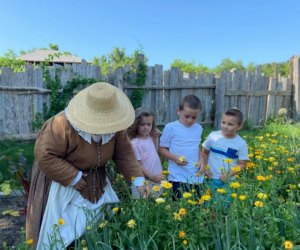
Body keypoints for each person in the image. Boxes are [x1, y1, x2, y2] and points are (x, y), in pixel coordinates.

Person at [26, 82, 148, 249]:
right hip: (62, 182)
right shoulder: (61, 124)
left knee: (97, 227)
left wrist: (139, 182)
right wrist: (73, 177)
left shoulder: (116, 128)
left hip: (97, 181)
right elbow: (45, 155)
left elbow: (125, 156)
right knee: (61, 232)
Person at [200, 107, 249, 204]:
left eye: (230, 124)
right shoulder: (213, 136)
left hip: (228, 181)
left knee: (223, 205)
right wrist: (205, 167)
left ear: (239, 126)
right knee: (208, 204)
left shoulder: (241, 143)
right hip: (210, 178)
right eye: (223, 122)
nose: (225, 126)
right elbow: (204, 152)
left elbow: (242, 164)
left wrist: (228, 174)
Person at [159, 95, 204, 199]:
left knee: (195, 204)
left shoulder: (198, 128)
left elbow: (196, 146)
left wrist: (202, 160)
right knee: (178, 206)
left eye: (194, 117)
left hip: (195, 175)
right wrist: (174, 158)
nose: (190, 120)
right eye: (186, 116)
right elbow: (162, 148)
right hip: (177, 175)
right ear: (178, 111)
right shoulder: (170, 127)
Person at [127, 107, 165, 196]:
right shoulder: (134, 143)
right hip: (144, 180)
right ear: (136, 124)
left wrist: (155, 138)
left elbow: (154, 152)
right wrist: (151, 176)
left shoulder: (149, 137)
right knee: (144, 203)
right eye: (142, 124)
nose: (146, 127)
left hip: (156, 176)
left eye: (149, 124)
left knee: (157, 203)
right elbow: (138, 165)